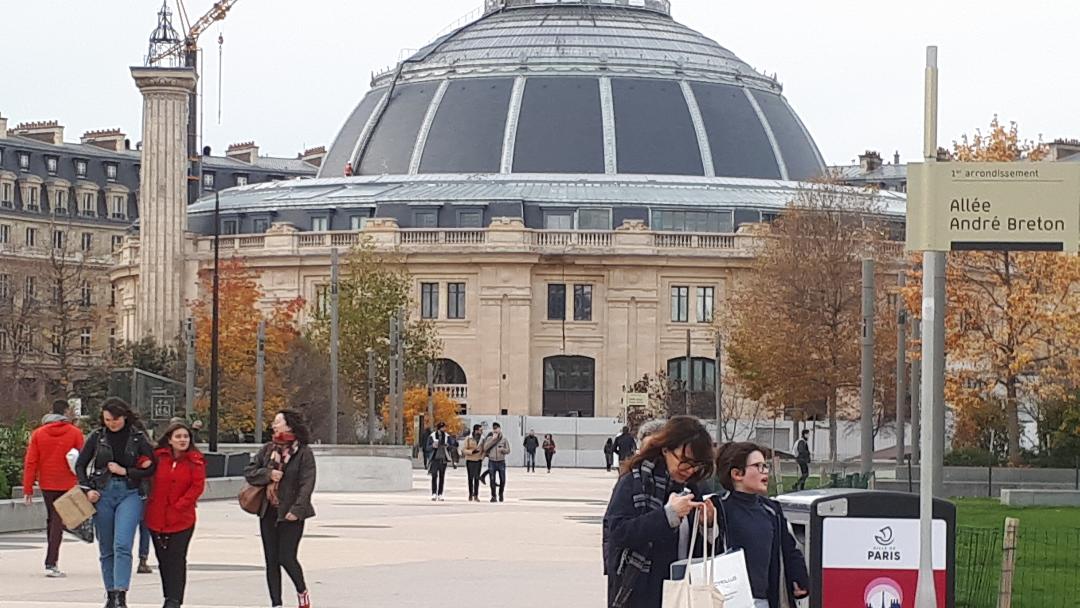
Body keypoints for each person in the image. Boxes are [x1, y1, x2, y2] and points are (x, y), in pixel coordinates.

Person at [602, 416, 715, 608]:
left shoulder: (696, 488)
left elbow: (703, 550)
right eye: (685, 461)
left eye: (697, 465)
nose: (690, 470)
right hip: (642, 593)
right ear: (666, 449)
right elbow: (617, 533)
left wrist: (708, 525)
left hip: (686, 594)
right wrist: (667, 515)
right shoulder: (634, 482)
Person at [75, 398, 157, 608]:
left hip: (129, 492)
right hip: (102, 493)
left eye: (116, 419)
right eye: (107, 420)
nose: (112, 424)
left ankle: (121, 593)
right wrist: (87, 489)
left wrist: (127, 471)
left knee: (122, 544)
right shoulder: (97, 436)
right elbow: (81, 465)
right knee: (106, 547)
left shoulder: (137, 438)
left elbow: (152, 466)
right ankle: (111, 593)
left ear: (125, 417)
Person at [709, 443, 810, 608]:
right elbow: (709, 543)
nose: (765, 471)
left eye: (766, 466)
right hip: (726, 599)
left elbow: (789, 548)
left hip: (764, 600)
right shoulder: (718, 506)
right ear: (736, 474)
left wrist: (799, 578)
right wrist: (708, 521)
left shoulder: (771, 509)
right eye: (758, 466)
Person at [244, 409, 317, 608]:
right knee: (271, 560)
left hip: (291, 513)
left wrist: (297, 509)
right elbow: (249, 471)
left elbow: (307, 484)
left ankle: (302, 591)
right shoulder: (268, 449)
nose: (274, 425)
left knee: (286, 557)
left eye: (278, 422)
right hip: (268, 511)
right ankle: (276, 603)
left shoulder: (303, 452)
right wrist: (268, 474)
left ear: (289, 425)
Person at [22, 399, 86, 578]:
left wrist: (28, 487)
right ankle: (51, 561)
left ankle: (51, 557)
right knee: (58, 520)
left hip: (47, 483)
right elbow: (83, 459)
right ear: (66, 412)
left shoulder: (38, 434)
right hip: (67, 482)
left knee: (53, 518)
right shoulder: (75, 433)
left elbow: (31, 462)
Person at [145, 422, 206, 608]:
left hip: (182, 519)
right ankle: (168, 596)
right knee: (163, 560)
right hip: (156, 517)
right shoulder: (158, 458)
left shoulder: (196, 460)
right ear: (170, 440)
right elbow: (145, 471)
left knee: (177, 559)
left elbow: (197, 486)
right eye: (178, 437)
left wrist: (181, 505)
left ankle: (175, 600)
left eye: (186, 437)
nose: (182, 440)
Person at [481, 422, 511, 502]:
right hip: (492, 461)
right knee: (492, 479)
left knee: (502, 480)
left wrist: (503, 450)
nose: (495, 430)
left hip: (501, 461)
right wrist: (493, 440)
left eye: (497, 429)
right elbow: (485, 448)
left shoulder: (504, 439)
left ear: (500, 429)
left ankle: (501, 494)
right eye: (494, 429)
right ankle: (493, 496)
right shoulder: (489, 438)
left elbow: (508, 450)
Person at [426, 422, 452, 501]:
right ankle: (434, 493)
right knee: (434, 476)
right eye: (442, 428)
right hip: (434, 458)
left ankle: (440, 493)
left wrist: (448, 446)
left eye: (444, 428)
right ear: (439, 429)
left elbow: (452, 446)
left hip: (443, 459)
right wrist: (433, 446)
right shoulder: (432, 436)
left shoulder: (447, 436)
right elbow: (427, 447)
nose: (444, 429)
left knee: (442, 477)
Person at [462, 424, 485, 502]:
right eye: (480, 430)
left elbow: (484, 450)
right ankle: (470, 494)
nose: (481, 431)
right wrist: (471, 452)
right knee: (470, 478)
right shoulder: (468, 438)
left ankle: (476, 495)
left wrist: (482, 458)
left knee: (477, 478)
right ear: (476, 430)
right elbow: (464, 450)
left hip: (478, 460)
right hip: (470, 460)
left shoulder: (482, 439)